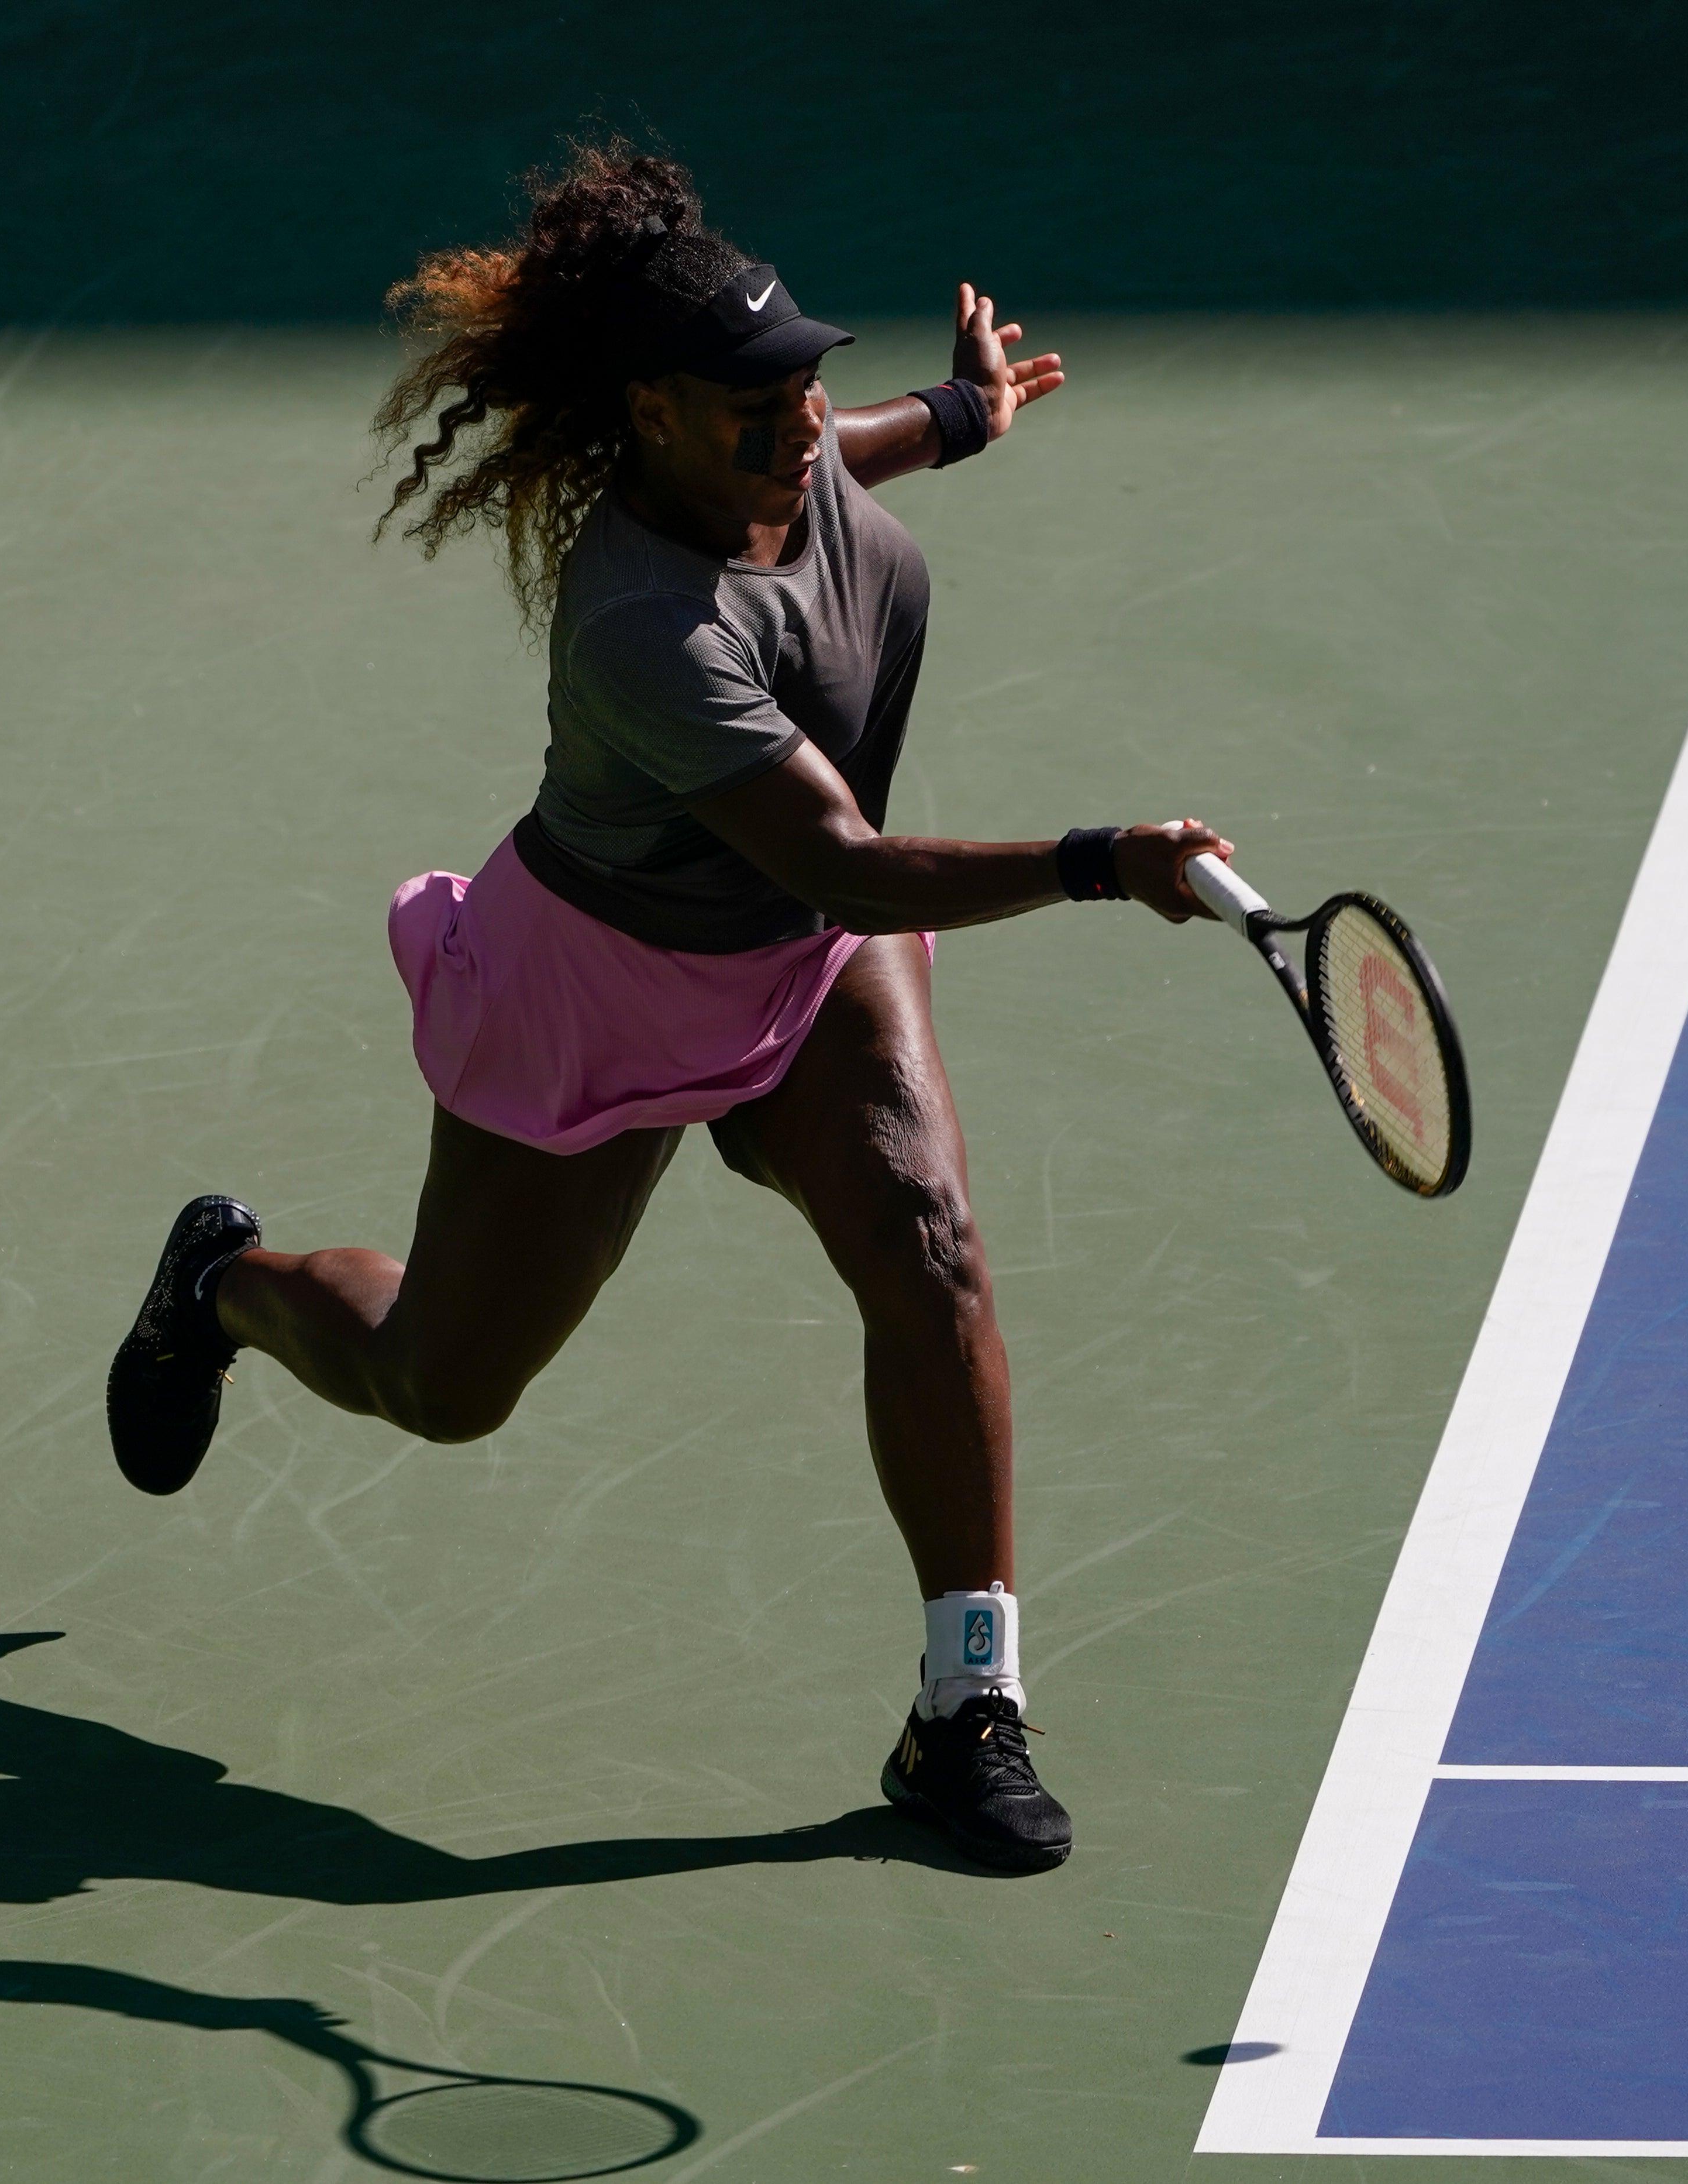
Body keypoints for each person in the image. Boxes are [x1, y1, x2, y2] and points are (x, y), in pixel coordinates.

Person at [106, 145, 1231, 1873]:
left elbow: (851, 469)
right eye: (752, 400)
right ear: (649, 415)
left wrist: (963, 410)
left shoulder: (786, 455)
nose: (798, 419)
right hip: (607, 986)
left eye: (806, 380)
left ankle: (967, 1711)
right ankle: (224, 1287)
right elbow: (851, 865)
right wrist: (1098, 861)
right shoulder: (643, 623)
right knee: (441, 1388)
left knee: (929, 1245)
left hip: (807, 962)